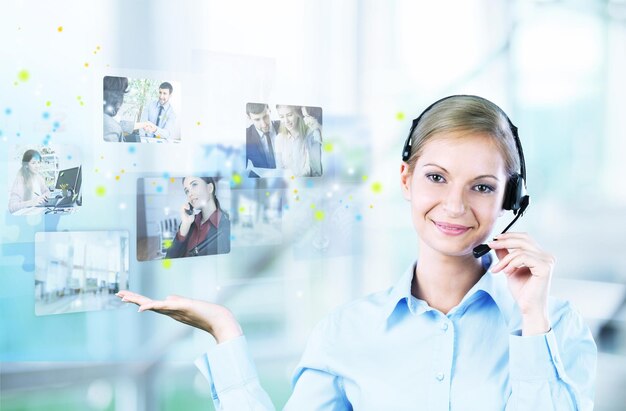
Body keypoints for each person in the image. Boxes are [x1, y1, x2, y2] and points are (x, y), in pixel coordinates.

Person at [118, 95, 596, 410]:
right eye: (436, 177)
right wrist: (224, 331)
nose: (454, 204)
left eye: (483, 186)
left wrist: (533, 321)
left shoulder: (554, 330)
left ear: (510, 200)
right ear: (406, 179)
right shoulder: (346, 333)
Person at [165, 177, 230, 258]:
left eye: (194, 184)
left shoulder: (226, 227)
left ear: (209, 188)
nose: (190, 194)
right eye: (187, 191)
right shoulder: (188, 223)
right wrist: (185, 226)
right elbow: (169, 259)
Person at [103, 76, 152, 142]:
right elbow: (112, 126)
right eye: (122, 93)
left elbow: (119, 124)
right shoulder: (110, 129)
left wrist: (143, 124)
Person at [8, 149, 50, 214]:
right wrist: (31, 202)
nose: (37, 166)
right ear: (26, 165)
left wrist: (43, 197)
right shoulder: (20, 180)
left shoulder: (38, 177)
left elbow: (47, 191)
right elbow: (12, 207)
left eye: (38, 162)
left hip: (38, 212)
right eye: (33, 163)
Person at [274, 105, 311, 177]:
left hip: (304, 181)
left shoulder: (308, 135)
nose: (286, 121)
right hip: (286, 183)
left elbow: (309, 168)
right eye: (281, 117)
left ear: (297, 114)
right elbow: (279, 168)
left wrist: (295, 178)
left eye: (289, 115)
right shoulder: (279, 139)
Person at [246, 103, 280, 177]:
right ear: (249, 118)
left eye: (265, 117)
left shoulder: (285, 127)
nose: (264, 124)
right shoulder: (246, 136)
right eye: (257, 119)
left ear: (270, 111)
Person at [302, 106, 323, 177]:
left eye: (308, 116)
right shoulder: (310, 139)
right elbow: (311, 169)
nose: (306, 122)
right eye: (304, 117)